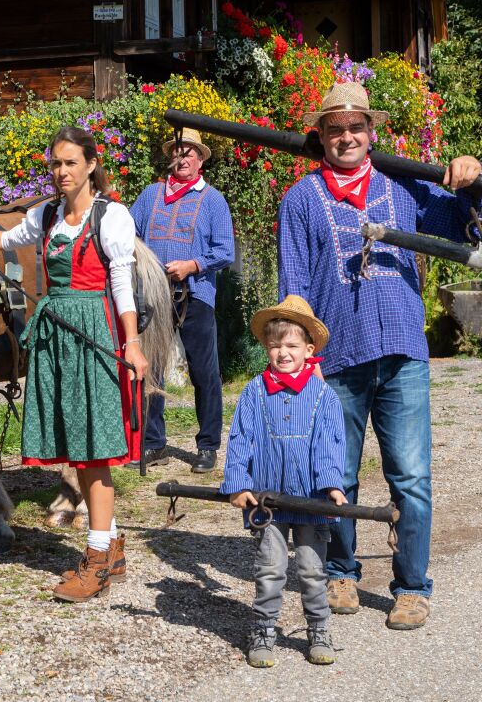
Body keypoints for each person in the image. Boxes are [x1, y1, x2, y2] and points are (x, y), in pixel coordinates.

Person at [278, 81, 482, 629]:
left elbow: (466, 221)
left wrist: (469, 176)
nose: (346, 137)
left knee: (411, 476)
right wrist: (299, 359)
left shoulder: (402, 188)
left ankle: (412, 587)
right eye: (335, 129)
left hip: (402, 350)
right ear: (320, 137)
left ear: (372, 133)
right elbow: (294, 286)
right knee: (335, 471)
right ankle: (341, 572)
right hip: (335, 355)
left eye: (356, 127)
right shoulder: (299, 199)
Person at [0, 125, 148, 602]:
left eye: (70, 162)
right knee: (77, 445)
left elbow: (122, 284)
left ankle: (94, 562)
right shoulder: (45, 215)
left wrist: (132, 343)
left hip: (93, 333)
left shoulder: (111, 218)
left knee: (95, 451)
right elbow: (3, 241)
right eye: (54, 163)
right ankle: (110, 547)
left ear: (91, 164)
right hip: (55, 337)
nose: (61, 172)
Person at [221, 295, 346, 668]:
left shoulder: (324, 396)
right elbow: (241, 438)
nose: (283, 352)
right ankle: (263, 630)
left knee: (310, 570)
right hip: (267, 502)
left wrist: (331, 486)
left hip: (311, 499)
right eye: (275, 346)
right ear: (267, 348)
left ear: (309, 350)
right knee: (270, 569)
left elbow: (329, 445)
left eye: (291, 345)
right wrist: (237, 483)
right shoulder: (254, 392)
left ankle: (319, 629)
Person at [129, 127, 234, 473]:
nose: (182, 156)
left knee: (204, 372)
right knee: (151, 369)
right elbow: (128, 235)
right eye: (177, 150)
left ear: (201, 158)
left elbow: (225, 251)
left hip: (196, 294)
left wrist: (192, 264)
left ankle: (207, 446)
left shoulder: (214, 200)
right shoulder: (150, 195)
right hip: (153, 296)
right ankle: (153, 443)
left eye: (189, 151)